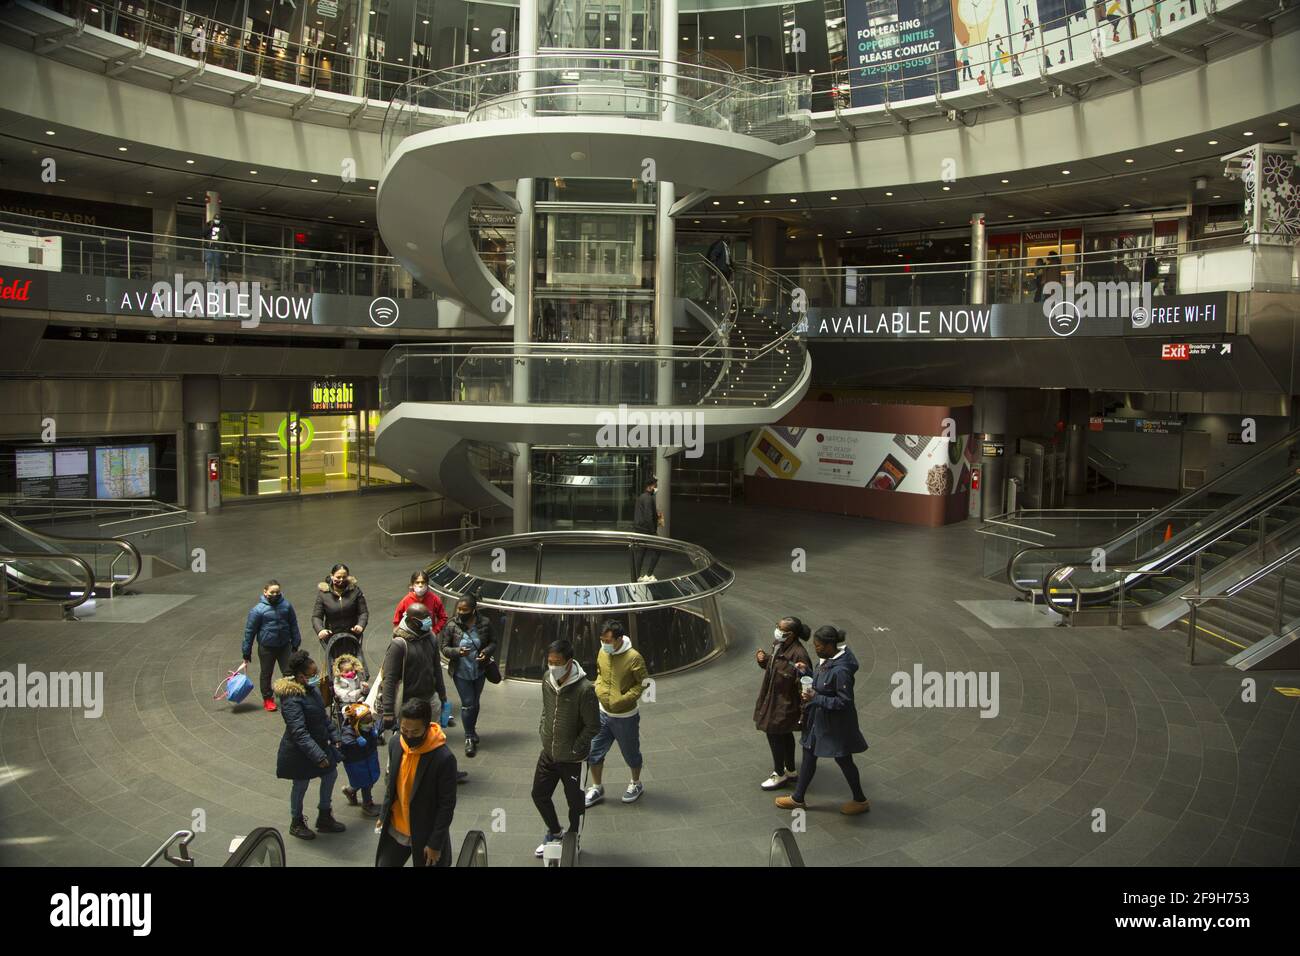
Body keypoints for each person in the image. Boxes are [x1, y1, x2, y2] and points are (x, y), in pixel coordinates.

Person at [775, 626, 870, 816]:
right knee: (809, 754)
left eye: (818, 646)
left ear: (829, 645)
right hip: (819, 721)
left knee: (843, 759)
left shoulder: (841, 670)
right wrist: (806, 672)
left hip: (835, 725)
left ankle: (860, 800)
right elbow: (822, 681)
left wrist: (815, 698)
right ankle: (798, 798)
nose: (815, 649)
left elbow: (844, 701)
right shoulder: (827, 661)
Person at [532, 639, 599, 859]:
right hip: (549, 753)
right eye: (549, 661)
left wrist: (575, 749)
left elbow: (593, 726)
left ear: (569, 662)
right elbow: (545, 709)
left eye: (557, 662)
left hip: (572, 760)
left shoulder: (585, 690)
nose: (552, 666)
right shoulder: (546, 680)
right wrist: (543, 731)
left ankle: (573, 837)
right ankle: (555, 832)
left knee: (575, 803)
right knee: (539, 794)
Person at [375, 698, 458, 867]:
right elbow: (391, 785)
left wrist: (435, 843)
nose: (409, 736)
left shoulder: (443, 758)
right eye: (404, 730)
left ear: (427, 727)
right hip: (396, 828)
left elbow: (446, 805)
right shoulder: (395, 744)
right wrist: (384, 815)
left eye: (415, 732)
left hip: (425, 833)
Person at [274, 650, 347, 840]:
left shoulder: (311, 690)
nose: (317, 678)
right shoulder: (291, 698)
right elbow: (299, 732)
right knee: (300, 784)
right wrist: (318, 756)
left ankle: (324, 815)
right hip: (300, 752)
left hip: (319, 744)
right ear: (300, 676)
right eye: (313, 675)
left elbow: (322, 717)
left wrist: (335, 735)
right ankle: (296, 821)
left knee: (330, 774)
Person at [585, 621, 649, 808]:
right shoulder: (603, 651)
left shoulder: (634, 657)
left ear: (619, 639)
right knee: (594, 752)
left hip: (625, 717)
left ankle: (636, 783)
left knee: (631, 753)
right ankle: (597, 787)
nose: (604, 643)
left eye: (608, 640)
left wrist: (625, 699)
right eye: (602, 639)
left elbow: (644, 683)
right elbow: (599, 672)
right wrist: (598, 687)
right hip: (602, 713)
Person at [753, 616, 813, 790]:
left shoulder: (800, 654)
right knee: (784, 734)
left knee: (774, 733)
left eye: (781, 629)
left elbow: (806, 681)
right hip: (773, 697)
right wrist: (764, 660)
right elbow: (776, 665)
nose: (777, 631)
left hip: (786, 703)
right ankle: (791, 770)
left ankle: (779, 773)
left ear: (791, 635)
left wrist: (803, 710)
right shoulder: (779, 644)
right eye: (777, 627)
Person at [441, 595, 496, 758]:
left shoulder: (485, 623)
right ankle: (469, 737)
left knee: (475, 702)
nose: (460, 612)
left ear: (473, 610)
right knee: (468, 703)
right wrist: (457, 652)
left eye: (464, 610)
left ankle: (471, 730)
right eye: (459, 609)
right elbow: (444, 648)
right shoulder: (452, 625)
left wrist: (485, 652)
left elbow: (493, 642)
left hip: (479, 670)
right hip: (461, 671)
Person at [242, 580, 302, 712]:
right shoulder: (258, 610)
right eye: (272, 592)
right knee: (266, 673)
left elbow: (293, 623)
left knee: (289, 672)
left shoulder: (286, 606)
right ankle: (267, 698)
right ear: (265, 592)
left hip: (284, 645)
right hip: (267, 647)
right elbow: (249, 631)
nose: (275, 594)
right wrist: (246, 651)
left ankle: (290, 695)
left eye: (277, 592)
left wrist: (296, 641)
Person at [312, 563, 369, 649]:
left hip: (352, 638)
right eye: (338, 577)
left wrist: (360, 625)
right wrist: (320, 630)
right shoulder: (323, 594)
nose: (341, 580)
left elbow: (363, 612)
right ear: (332, 576)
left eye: (344, 577)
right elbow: (316, 616)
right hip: (332, 639)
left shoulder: (355, 591)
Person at [339, 702, 381, 817]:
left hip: (369, 757)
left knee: (367, 780)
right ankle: (367, 804)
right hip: (357, 762)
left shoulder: (368, 729)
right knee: (366, 783)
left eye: (370, 721)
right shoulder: (348, 733)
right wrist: (358, 742)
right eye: (366, 722)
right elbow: (346, 743)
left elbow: (376, 726)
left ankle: (350, 790)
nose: (370, 724)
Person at [391, 570, 447, 635]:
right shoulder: (406, 600)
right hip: (410, 638)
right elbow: (396, 622)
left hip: (427, 637)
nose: (420, 585)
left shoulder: (435, 599)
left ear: (427, 584)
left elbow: (443, 617)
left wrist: (435, 631)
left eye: (423, 582)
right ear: (412, 584)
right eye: (417, 582)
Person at [632, 476, 663, 582]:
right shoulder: (648, 498)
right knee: (658, 550)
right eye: (655, 486)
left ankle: (637, 576)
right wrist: (653, 532)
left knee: (641, 552)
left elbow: (646, 513)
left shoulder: (642, 497)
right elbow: (648, 516)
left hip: (639, 528)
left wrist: (656, 514)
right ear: (651, 486)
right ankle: (648, 575)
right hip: (646, 530)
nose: (656, 488)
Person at [203, 215, 224, 281]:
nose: (216, 221)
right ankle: (209, 278)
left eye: (218, 219)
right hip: (209, 247)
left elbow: (226, 237)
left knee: (217, 264)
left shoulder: (222, 227)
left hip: (217, 248)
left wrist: (234, 248)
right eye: (215, 219)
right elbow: (203, 234)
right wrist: (211, 227)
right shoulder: (208, 225)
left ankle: (216, 279)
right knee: (209, 262)